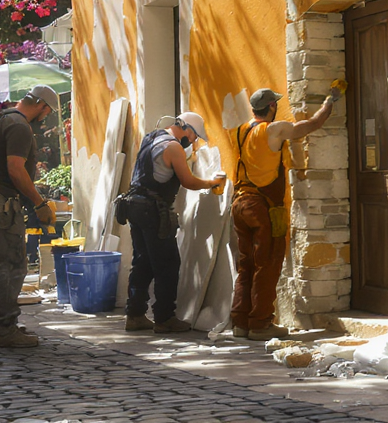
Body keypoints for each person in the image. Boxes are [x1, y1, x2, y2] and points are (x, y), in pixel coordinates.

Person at [227, 85, 341, 341]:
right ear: (271, 107)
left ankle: (240, 322)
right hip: (262, 207)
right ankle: (260, 324)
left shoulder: (240, 131)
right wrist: (328, 103)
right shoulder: (274, 129)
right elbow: (309, 126)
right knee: (266, 264)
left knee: (245, 266)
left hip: (239, 204)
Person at [0, 86, 59, 348]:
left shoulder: (4, 118)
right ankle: (5, 328)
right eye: (48, 111)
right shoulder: (20, 126)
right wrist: (38, 202)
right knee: (12, 264)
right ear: (41, 105)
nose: (46, 116)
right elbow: (16, 169)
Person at [121, 112, 226, 334]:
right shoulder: (174, 148)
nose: (194, 141)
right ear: (187, 129)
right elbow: (188, 181)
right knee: (167, 264)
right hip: (152, 211)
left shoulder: (151, 138)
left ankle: (135, 314)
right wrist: (211, 182)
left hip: (134, 206)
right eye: (195, 136)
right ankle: (164, 318)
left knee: (143, 260)